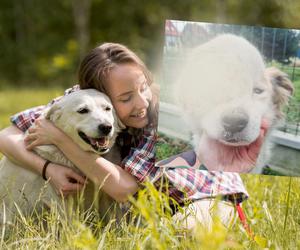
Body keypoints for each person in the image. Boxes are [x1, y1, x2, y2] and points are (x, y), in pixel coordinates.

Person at [0, 42, 261, 230]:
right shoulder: (88, 102)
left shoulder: (161, 118)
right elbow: (7, 135)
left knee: (184, 232)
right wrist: (47, 169)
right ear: (98, 95)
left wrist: (61, 140)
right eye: (125, 99)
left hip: (202, 198)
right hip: (151, 209)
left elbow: (124, 189)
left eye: (143, 87)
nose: (141, 103)